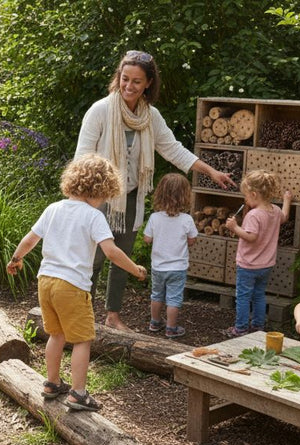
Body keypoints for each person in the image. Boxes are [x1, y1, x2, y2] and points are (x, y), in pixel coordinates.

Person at [75, 49, 235, 332]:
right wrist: (80, 203)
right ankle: (80, 314)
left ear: (148, 83)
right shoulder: (100, 111)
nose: (129, 86)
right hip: (97, 198)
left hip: (132, 197)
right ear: (118, 78)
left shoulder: (151, 117)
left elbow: (173, 149)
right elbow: (82, 159)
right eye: (125, 79)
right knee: (95, 258)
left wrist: (211, 171)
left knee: (121, 258)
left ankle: (112, 317)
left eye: (136, 81)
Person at [7, 154, 146, 412]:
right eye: (105, 195)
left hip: (45, 282)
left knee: (56, 334)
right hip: (71, 287)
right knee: (82, 339)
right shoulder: (93, 217)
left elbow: (30, 239)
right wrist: (135, 269)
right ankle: (79, 394)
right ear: (100, 189)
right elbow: (112, 251)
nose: (104, 200)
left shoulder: (53, 209)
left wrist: (16, 259)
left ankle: (51, 383)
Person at [223, 170, 292, 337]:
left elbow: (251, 237)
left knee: (243, 297)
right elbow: (284, 216)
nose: (245, 200)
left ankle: (240, 328)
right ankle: (258, 326)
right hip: (266, 264)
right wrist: (287, 200)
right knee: (259, 295)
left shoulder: (253, 215)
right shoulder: (274, 210)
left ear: (254, 194)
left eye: (246, 196)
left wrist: (235, 228)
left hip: (248, 265)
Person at [142, 173, 197, 338]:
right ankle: (171, 328)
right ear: (185, 196)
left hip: (159, 266)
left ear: (160, 194)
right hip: (178, 268)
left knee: (157, 294)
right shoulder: (187, 220)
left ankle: (155, 322)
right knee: (174, 298)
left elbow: (146, 239)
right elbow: (192, 240)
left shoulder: (154, 218)